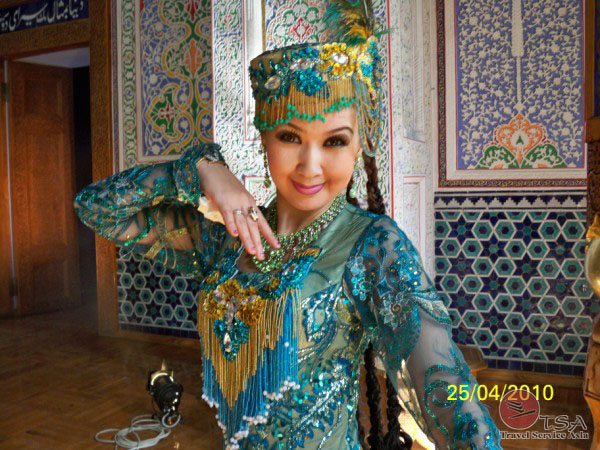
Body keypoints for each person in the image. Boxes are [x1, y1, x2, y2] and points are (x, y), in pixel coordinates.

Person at [73, 2, 502, 449]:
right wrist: (201, 167)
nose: (310, 166)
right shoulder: (225, 240)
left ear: (359, 146)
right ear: (264, 138)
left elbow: (446, 388)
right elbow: (96, 208)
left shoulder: (372, 245)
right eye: (290, 137)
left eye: (334, 141)